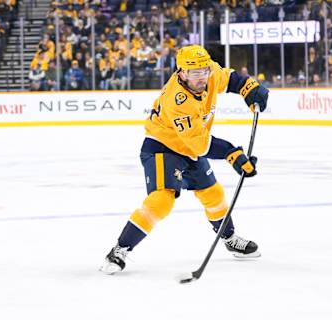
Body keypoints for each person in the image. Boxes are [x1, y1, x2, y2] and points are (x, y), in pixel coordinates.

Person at [100, 45, 269, 274]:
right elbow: (200, 144)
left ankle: (228, 238)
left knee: (214, 194)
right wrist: (232, 153)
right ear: (182, 73)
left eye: (205, 70)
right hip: (163, 146)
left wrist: (250, 87)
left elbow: (230, 79)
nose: (202, 77)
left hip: (189, 148)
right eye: (195, 73)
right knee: (162, 200)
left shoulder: (209, 73)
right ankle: (120, 249)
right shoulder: (177, 101)